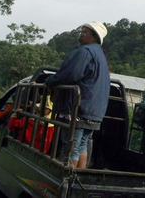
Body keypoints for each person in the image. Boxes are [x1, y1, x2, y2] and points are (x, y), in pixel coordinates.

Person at [45, 21, 109, 169]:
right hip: (94, 111)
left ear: (93, 37)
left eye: (85, 32)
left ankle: (68, 179)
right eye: (81, 31)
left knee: (71, 146)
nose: (81, 34)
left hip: (78, 108)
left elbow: (70, 75)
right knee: (82, 145)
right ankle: (80, 175)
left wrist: (50, 81)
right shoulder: (100, 56)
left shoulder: (85, 52)